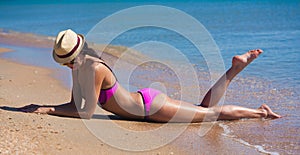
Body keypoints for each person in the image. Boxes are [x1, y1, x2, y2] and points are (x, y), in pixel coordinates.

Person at [21, 29, 281, 122]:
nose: (66, 66)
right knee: (204, 110)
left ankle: (261, 113)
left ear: (74, 56)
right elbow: (75, 106)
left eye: (67, 61)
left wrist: (47, 110)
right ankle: (234, 69)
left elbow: (86, 113)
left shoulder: (93, 68)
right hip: (146, 103)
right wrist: (46, 108)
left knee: (210, 115)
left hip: (150, 108)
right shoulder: (80, 69)